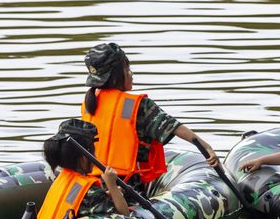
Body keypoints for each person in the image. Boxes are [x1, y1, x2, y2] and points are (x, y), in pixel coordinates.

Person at [80, 42, 219, 194]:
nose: (131, 74)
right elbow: (172, 126)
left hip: (92, 186)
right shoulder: (138, 106)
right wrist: (206, 147)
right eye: (127, 69)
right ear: (117, 75)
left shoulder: (89, 102)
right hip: (125, 188)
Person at [38, 118, 130, 219]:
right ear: (84, 158)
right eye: (93, 153)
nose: (95, 156)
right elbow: (125, 218)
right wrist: (112, 186)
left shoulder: (62, 178)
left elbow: (78, 200)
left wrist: (107, 194)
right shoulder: (93, 194)